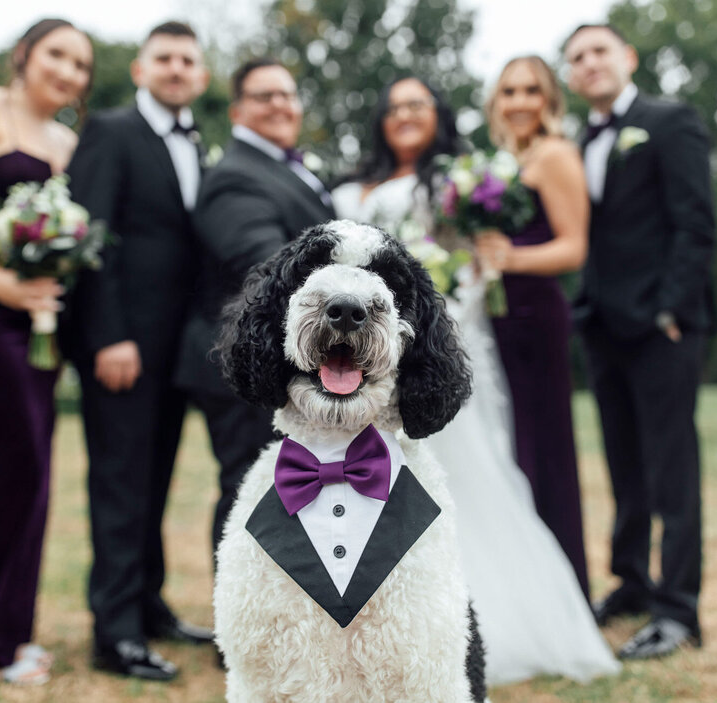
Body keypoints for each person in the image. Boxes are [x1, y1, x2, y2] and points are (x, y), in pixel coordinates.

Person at [332, 76, 619, 686]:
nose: (406, 114)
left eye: (419, 104)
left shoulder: (454, 182)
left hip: (422, 349)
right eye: (394, 105)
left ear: (439, 115)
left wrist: (420, 342)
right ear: (380, 118)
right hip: (358, 362)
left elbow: (466, 271)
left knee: (456, 486)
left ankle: (481, 625)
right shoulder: (352, 187)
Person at [0, 19, 93, 683]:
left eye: (82, 64)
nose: (69, 71)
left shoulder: (68, 141)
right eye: (58, 54)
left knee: (31, 472)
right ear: (25, 55)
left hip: (37, 327)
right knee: (10, 464)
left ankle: (3, 637)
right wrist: (3, 283)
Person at [65, 21, 213, 681]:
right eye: (165, 57)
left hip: (176, 351)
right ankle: (115, 632)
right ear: (141, 69)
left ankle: (149, 604)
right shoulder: (110, 131)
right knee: (121, 486)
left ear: (202, 76)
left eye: (188, 59)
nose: (177, 67)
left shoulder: (197, 144)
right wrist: (107, 335)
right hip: (122, 346)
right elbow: (91, 239)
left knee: (154, 482)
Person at [564, 24, 714, 659]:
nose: (589, 63)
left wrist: (671, 308)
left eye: (599, 51)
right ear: (570, 77)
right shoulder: (580, 140)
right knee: (624, 465)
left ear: (627, 57)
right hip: (603, 327)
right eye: (576, 58)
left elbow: (695, 222)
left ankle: (678, 611)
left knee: (670, 469)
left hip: (661, 328)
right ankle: (631, 582)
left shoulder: (669, 120)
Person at [174, 57, 336, 559]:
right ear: (239, 110)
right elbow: (265, 266)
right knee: (251, 491)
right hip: (246, 358)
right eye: (265, 96)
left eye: (288, 94)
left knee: (281, 488)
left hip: (291, 359)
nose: (281, 105)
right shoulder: (234, 176)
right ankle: (239, 625)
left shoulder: (292, 168)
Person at [476, 56, 591, 599]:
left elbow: (573, 247)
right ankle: (527, 585)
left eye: (531, 91)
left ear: (549, 99)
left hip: (537, 318)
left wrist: (509, 259)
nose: (519, 101)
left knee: (546, 449)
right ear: (495, 102)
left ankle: (564, 589)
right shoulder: (503, 161)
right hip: (501, 319)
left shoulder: (556, 154)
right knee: (513, 447)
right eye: (508, 91)